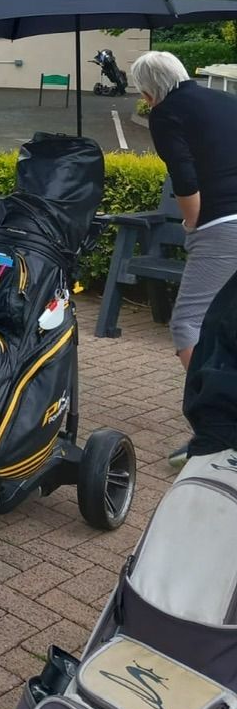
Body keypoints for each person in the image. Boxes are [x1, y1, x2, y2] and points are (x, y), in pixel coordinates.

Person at [130, 50, 237, 467]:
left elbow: (185, 178)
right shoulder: (225, 100)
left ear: (149, 91)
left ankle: (218, 428)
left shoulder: (166, 112)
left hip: (223, 225)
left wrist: (192, 225)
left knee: (189, 322)